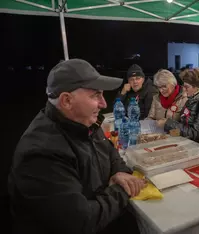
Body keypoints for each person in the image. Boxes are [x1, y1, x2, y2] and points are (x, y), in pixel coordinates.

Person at [8, 59, 146, 234]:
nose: (104, 104)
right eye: (96, 95)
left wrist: (119, 172)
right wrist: (121, 190)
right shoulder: (41, 153)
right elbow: (81, 222)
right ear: (66, 100)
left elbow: (110, 152)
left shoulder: (85, 123)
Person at [157, 69, 199, 143]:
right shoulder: (192, 98)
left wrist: (167, 124)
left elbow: (197, 134)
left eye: (187, 87)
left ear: (197, 87)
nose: (184, 89)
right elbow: (183, 125)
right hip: (188, 143)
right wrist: (169, 135)